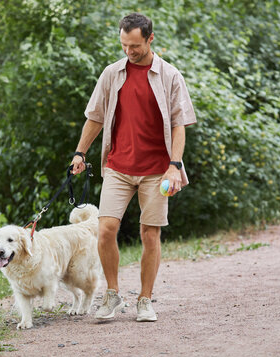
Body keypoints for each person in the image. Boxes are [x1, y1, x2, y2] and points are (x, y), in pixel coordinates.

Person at [71, 12, 196, 322]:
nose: (129, 51)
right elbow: (96, 116)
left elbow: (180, 124)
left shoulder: (169, 76)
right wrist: (79, 152)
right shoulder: (111, 74)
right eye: (124, 45)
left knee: (150, 234)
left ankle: (145, 299)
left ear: (150, 39)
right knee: (105, 230)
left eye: (136, 46)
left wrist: (174, 165)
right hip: (118, 166)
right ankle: (112, 295)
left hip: (157, 169)